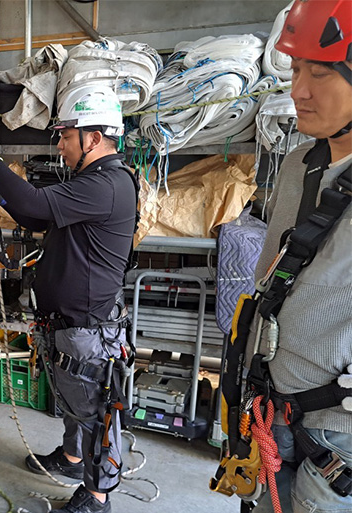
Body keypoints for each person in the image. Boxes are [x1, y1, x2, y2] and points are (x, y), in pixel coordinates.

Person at [0, 86, 138, 513]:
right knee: (73, 402)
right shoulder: (90, 183)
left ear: (93, 138)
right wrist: (3, 196)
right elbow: (37, 215)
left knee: (96, 409)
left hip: (88, 326)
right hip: (69, 322)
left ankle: (97, 497)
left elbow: (36, 200)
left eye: (65, 136)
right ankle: (72, 458)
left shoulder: (108, 184)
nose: (60, 146)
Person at [244, 1, 352, 511]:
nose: (299, 90)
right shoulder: (297, 165)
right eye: (297, 69)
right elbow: (273, 276)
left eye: (323, 72)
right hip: (274, 412)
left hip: (338, 441)